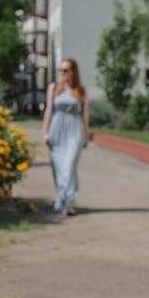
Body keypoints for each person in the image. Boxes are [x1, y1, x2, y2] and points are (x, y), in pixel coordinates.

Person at [42, 57, 89, 216]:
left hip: (75, 130)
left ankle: (68, 201)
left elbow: (85, 115)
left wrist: (86, 136)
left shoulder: (81, 90)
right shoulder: (54, 88)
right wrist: (45, 131)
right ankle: (63, 198)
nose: (62, 73)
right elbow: (49, 110)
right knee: (59, 168)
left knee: (69, 166)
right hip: (57, 130)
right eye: (61, 70)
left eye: (66, 70)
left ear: (73, 71)